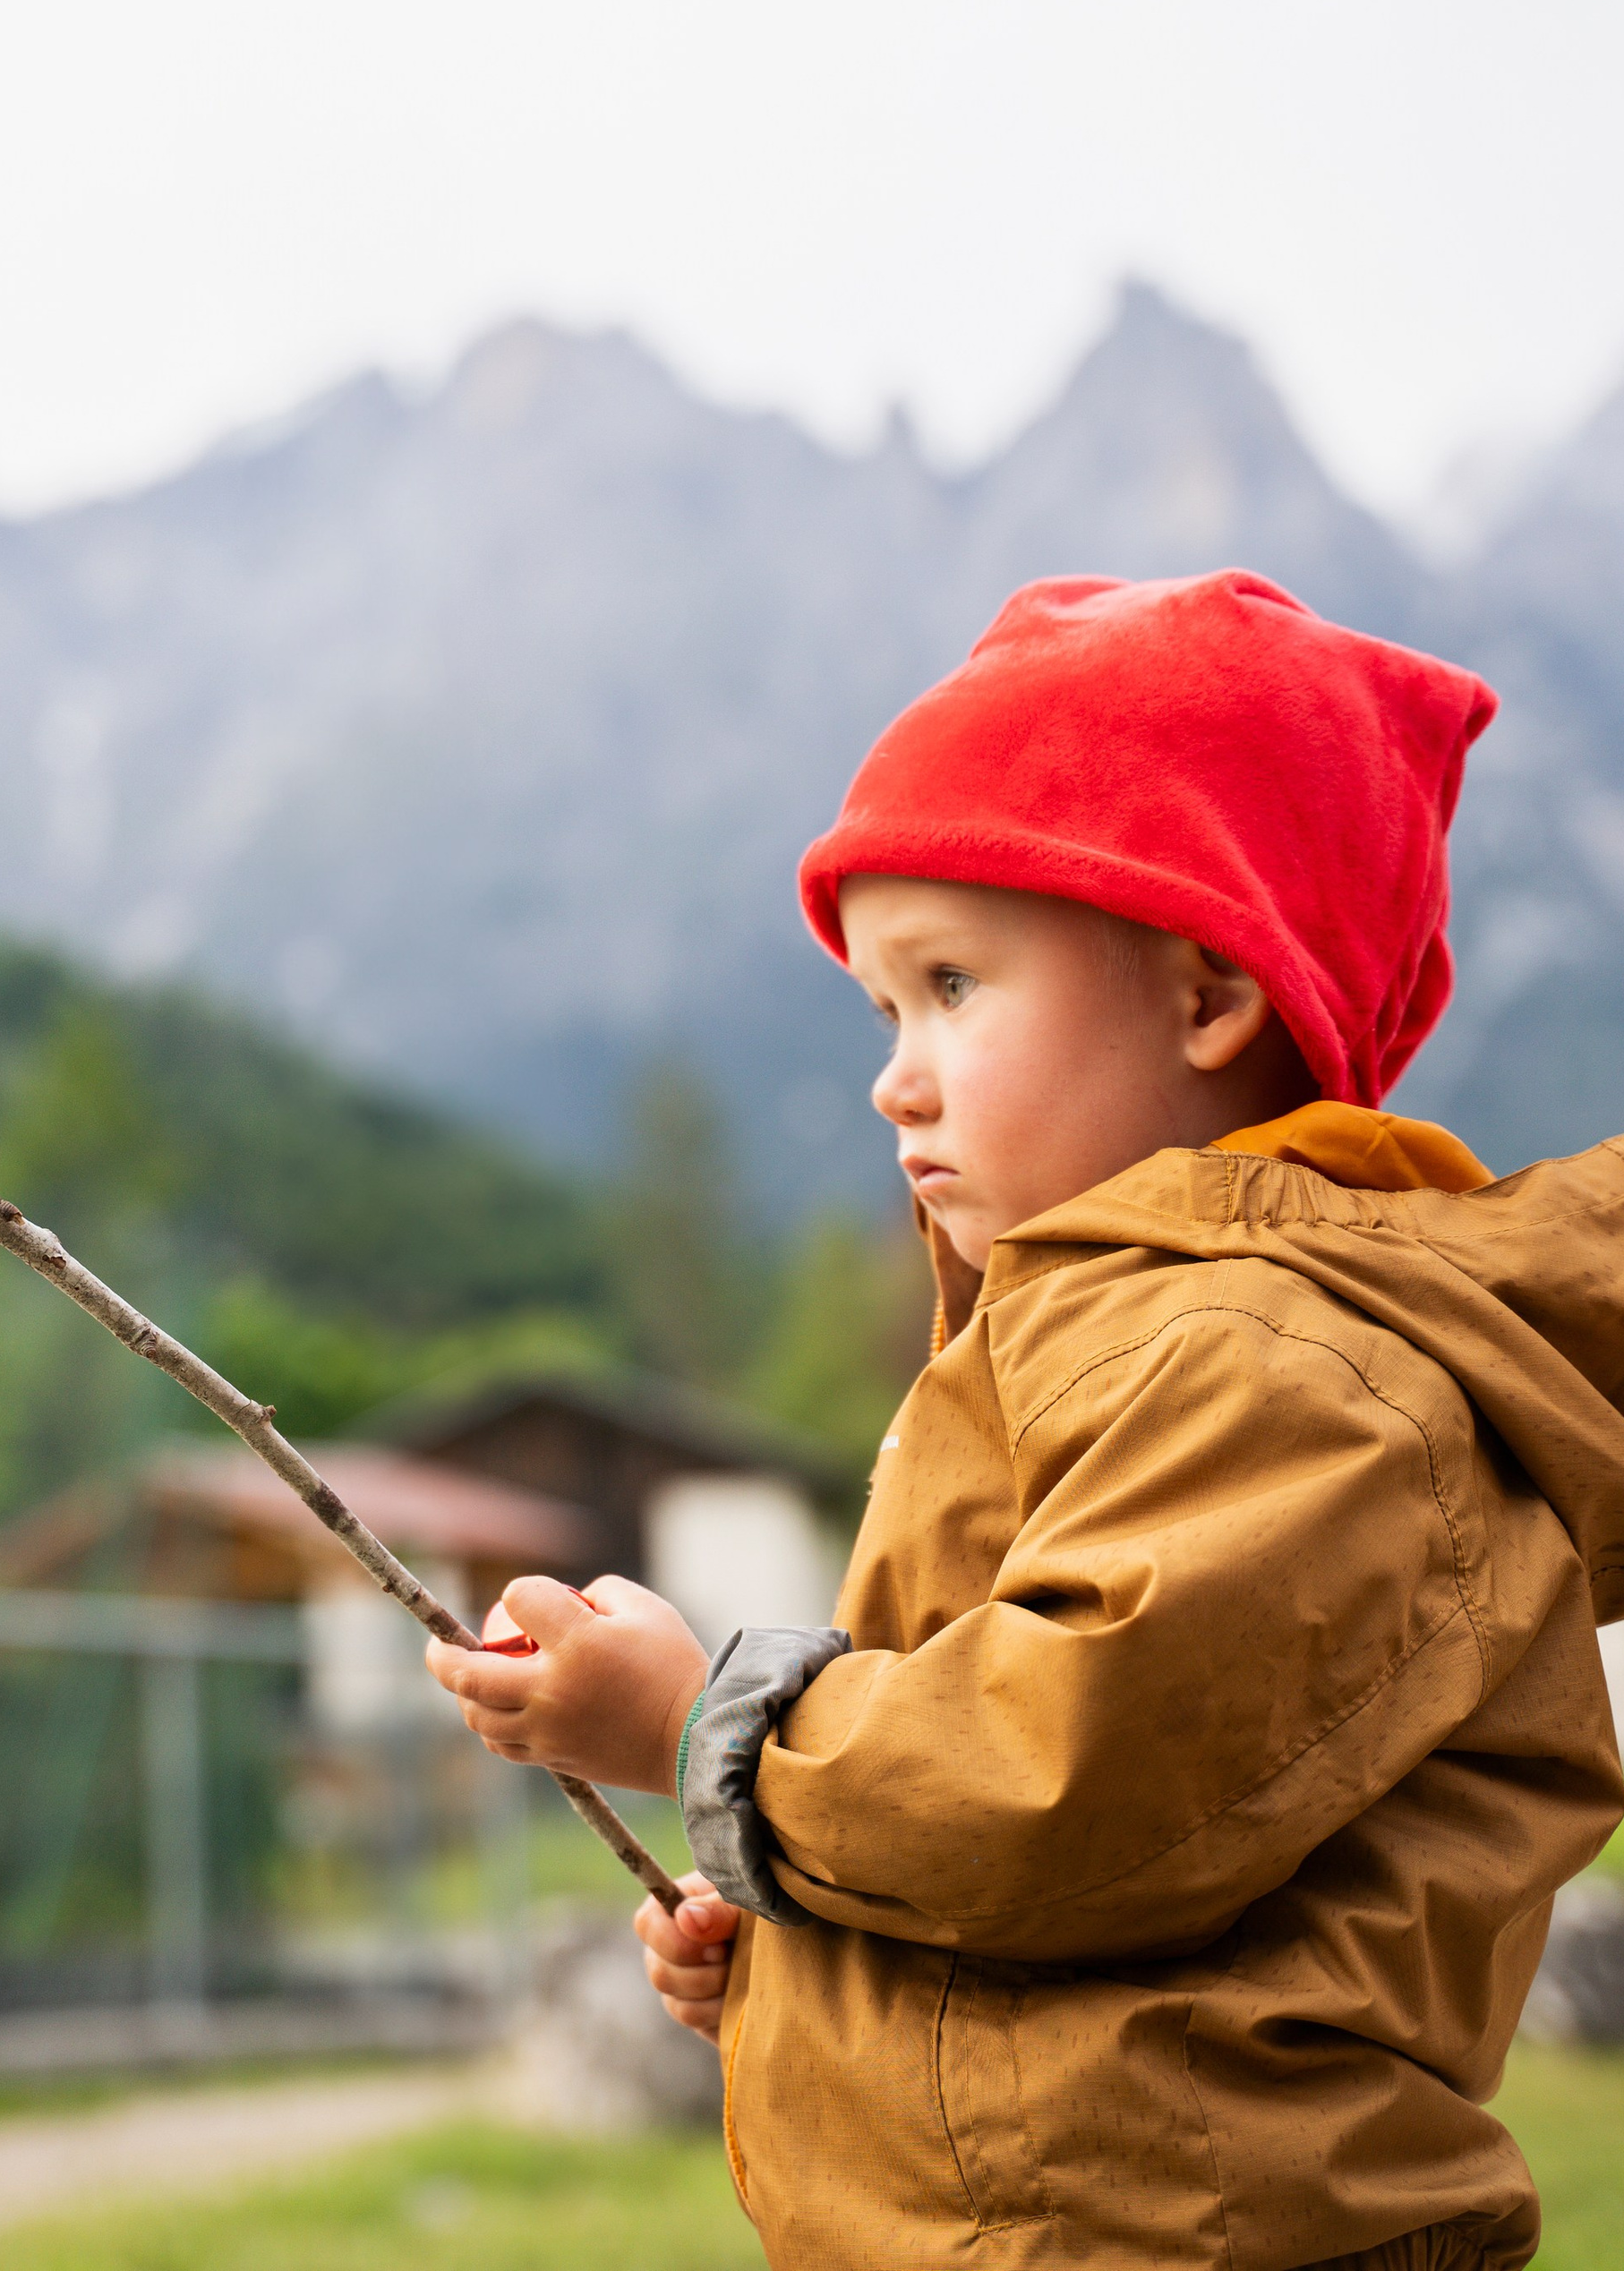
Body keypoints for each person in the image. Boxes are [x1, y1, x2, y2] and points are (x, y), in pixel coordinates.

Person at [426, 570, 1624, 2271]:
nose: (892, 1077)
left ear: (1211, 998)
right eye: (880, 1009)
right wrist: (799, 1951)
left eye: (953, 986)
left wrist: (713, 1732)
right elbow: (1079, 1908)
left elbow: (1058, 1789)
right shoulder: (1110, 1345)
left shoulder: (1293, 1371)